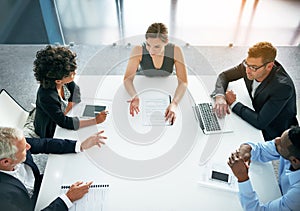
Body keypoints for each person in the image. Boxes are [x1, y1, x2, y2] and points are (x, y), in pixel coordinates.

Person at [0, 126, 107, 211]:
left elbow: (44, 144)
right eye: (24, 149)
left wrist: (80, 145)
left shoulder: (16, 144)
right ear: (6, 162)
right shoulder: (3, 197)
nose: (29, 147)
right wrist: (67, 199)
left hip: (43, 185)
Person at [211, 41, 298, 141]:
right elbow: (224, 75)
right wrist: (220, 96)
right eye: (247, 64)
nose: (247, 70)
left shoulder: (283, 87)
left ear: (269, 66)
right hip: (255, 109)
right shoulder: (250, 65)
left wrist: (234, 103)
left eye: (253, 67)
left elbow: (260, 122)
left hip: (273, 131)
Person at [31, 45, 107, 138]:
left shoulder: (64, 81)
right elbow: (64, 122)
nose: (75, 73)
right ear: (58, 80)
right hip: (50, 129)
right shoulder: (46, 96)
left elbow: (76, 91)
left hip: (60, 117)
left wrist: (67, 109)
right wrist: (95, 121)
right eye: (72, 74)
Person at [123, 23, 188, 125]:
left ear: (166, 42)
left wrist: (174, 104)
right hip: (144, 83)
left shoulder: (175, 50)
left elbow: (183, 82)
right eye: (148, 45)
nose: (151, 51)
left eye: (157, 47)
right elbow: (127, 79)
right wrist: (134, 96)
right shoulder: (138, 49)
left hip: (167, 85)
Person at [227, 126, 300, 210]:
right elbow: (261, 149)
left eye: (281, 144)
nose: (276, 140)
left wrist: (242, 178)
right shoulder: (292, 149)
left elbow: (256, 209)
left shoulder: (297, 195)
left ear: (294, 161)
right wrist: (246, 149)